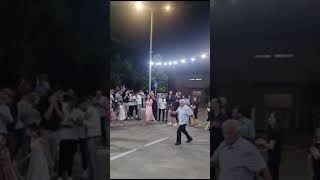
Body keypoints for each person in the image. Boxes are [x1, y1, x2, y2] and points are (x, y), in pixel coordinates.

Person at [80, 98, 101, 180]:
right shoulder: (93, 110)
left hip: (92, 137)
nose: (81, 107)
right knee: (93, 159)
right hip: (95, 136)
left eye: (81, 105)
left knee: (92, 159)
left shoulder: (89, 110)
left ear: (85, 103)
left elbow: (92, 124)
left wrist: (82, 121)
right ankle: (92, 176)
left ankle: (94, 177)